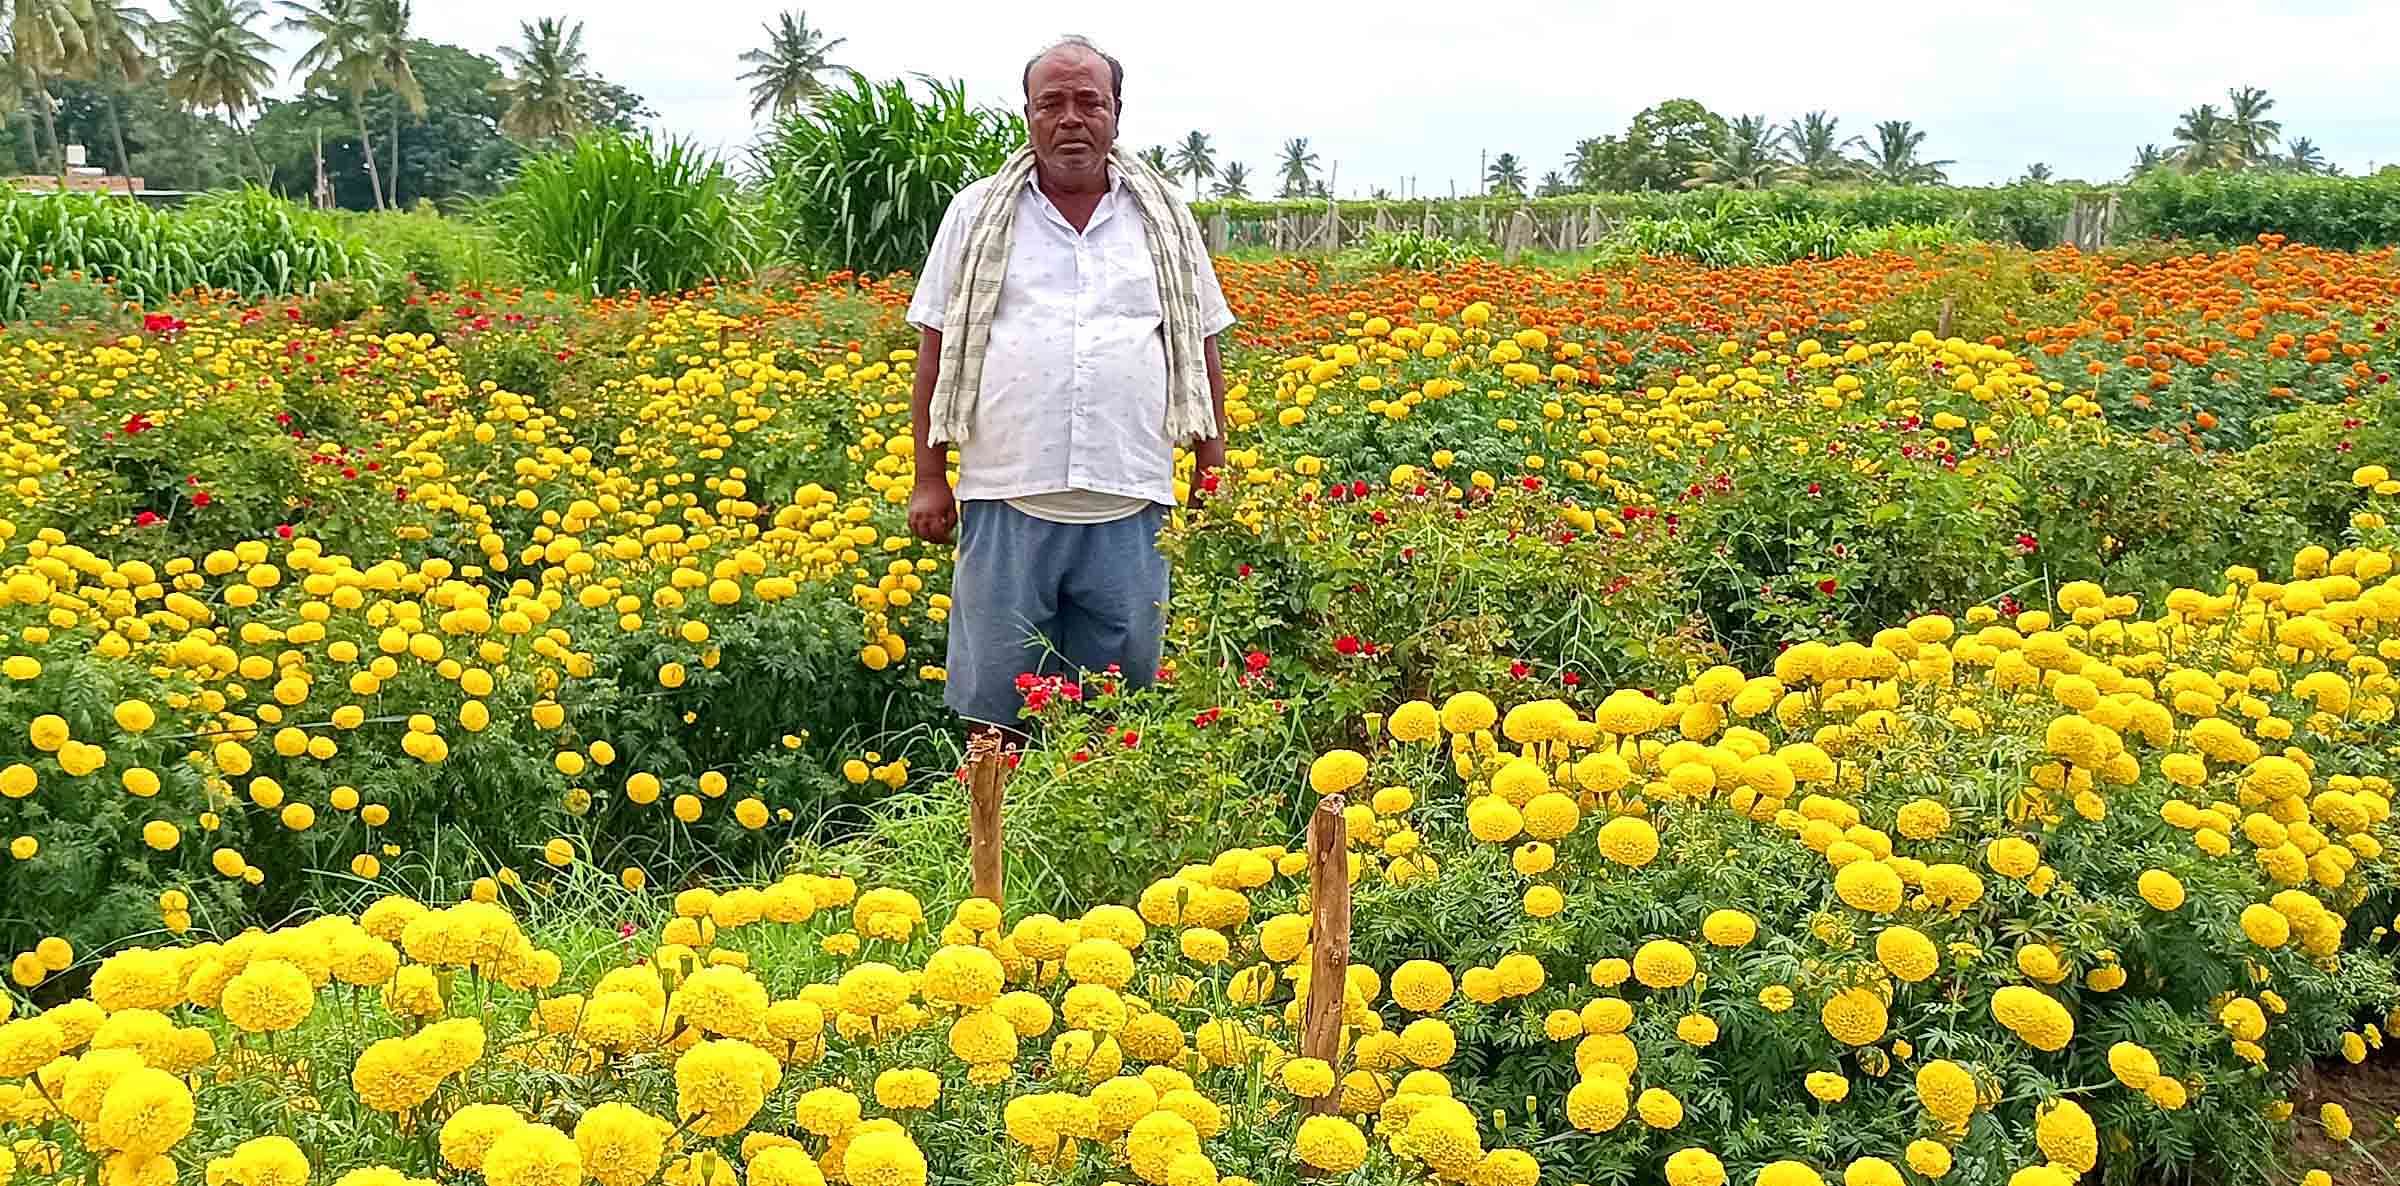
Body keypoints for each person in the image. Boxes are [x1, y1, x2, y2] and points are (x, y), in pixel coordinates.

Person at [904, 35, 1235, 741]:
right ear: (1028, 115)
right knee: (995, 706)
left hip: (1130, 497)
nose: (1071, 118)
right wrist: (929, 477)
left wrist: (1213, 466)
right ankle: (991, 836)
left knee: (1120, 707)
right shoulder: (975, 213)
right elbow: (936, 347)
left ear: (1117, 114)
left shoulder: (1165, 218)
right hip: (1006, 493)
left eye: (1090, 102)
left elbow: (1197, 344)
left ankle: (1099, 835)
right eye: (1052, 103)